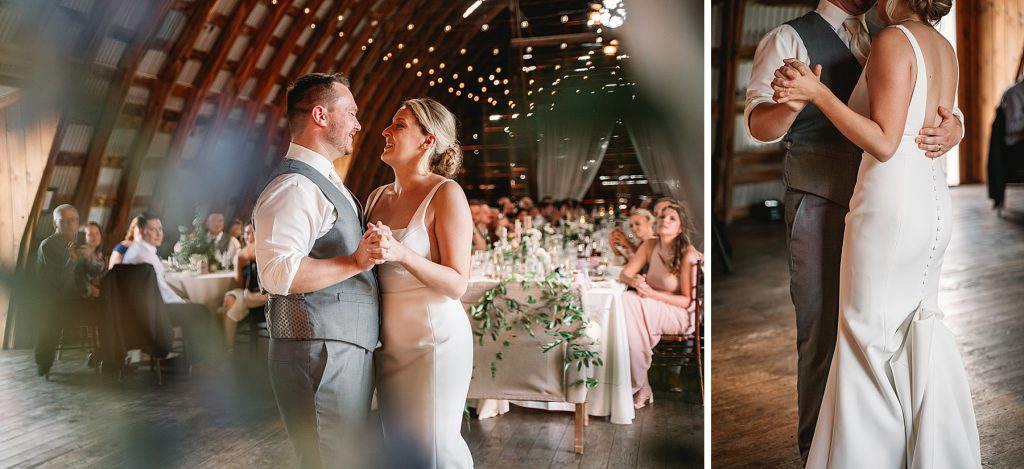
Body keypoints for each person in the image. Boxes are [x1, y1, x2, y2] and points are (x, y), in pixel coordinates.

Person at [744, 0, 965, 461]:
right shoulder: (787, 38)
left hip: (885, 204)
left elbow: (933, 108)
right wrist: (796, 103)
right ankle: (818, 450)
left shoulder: (886, 33)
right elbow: (758, 125)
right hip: (822, 200)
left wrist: (957, 127)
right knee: (824, 330)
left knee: (885, 331)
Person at [252, 72, 382, 468]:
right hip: (318, 350)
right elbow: (278, 275)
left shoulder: (327, 182)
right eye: (352, 113)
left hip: (338, 346)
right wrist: (356, 261)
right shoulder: (295, 186)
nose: (359, 124)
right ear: (321, 116)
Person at [365, 98, 474, 468]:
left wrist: (402, 254)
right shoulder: (376, 198)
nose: (386, 131)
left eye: (398, 125)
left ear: (427, 141)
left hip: (435, 341)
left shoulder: (445, 194)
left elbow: (458, 284)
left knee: (435, 448)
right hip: (388, 343)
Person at [618, 204, 701, 409]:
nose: (665, 220)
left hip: (681, 314)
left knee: (628, 302)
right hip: (652, 306)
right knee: (628, 303)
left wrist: (651, 293)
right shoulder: (649, 245)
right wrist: (635, 282)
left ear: (681, 227)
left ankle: (639, 384)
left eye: (672, 218)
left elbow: (687, 301)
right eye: (663, 216)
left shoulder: (687, 254)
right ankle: (641, 384)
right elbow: (624, 274)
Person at [122, 212, 216, 364]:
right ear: (141, 231)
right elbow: (161, 291)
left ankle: (187, 359)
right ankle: (193, 360)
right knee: (200, 311)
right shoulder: (146, 256)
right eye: (153, 229)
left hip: (141, 308)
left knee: (191, 307)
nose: (159, 233)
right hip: (152, 313)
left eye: (160, 228)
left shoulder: (135, 250)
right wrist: (181, 302)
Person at [34, 204, 97, 376]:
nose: (70, 224)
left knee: (110, 309)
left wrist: (90, 258)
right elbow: (56, 284)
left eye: (74, 220)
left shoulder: (80, 241)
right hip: (56, 301)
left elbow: (95, 272)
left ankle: (104, 356)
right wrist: (73, 260)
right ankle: (44, 362)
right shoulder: (47, 246)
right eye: (64, 221)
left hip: (80, 299)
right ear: (55, 224)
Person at [217, 222, 268, 351]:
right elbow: (240, 286)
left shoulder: (266, 250)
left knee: (224, 310)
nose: (249, 236)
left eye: (252, 232)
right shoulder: (241, 254)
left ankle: (225, 349)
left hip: (265, 297)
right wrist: (238, 264)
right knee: (228, 299)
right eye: (246, 233)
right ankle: (228, 349)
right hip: (247, 295)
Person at [81, 222, 106, 298]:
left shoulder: (99, 254)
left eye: (97, 233)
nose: (95, 236)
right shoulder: (80, 254)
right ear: (82, 237)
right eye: (90, 234)